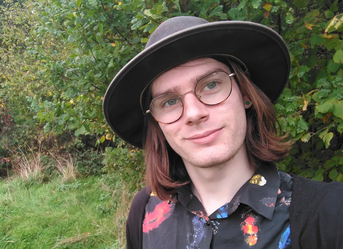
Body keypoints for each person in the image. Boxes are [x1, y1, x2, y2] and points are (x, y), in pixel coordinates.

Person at [103, 16, 343, 249]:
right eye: (169, 101)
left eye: (211, 85)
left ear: (246, 94)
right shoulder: (145, 210)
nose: (194, 113)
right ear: (157, 123)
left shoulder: (330, 214)